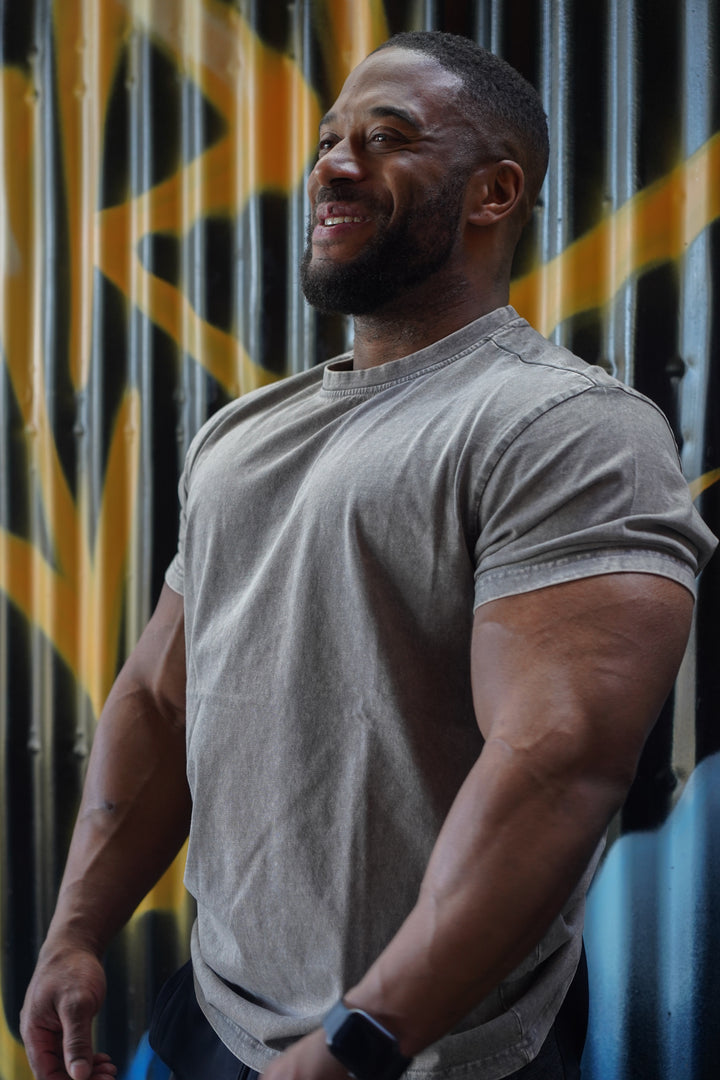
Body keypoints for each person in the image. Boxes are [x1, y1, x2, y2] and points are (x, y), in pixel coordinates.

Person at [20, 30, 716, 1080]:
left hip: (415, 1051)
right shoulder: (241, 433)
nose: (334, 165)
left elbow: (558, 763)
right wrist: (75, 934)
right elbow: (162, 701)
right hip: (206, 1017)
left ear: (495, 192)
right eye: (331, 139)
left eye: (387, 139)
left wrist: (361, 1039)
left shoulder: (564, 426)